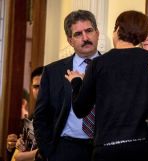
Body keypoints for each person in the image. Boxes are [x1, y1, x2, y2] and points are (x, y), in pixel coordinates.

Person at [66, 10, 148, 161]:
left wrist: (76, 82)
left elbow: (80, 109)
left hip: (107, 148)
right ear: (142, 35)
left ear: (117, 30)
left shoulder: (98, 64)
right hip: (144, 147)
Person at [33, 10, 100, 161]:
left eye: (89, 31)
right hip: (66, 149)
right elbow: (41, 116)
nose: (85, 38)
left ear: (97, 33)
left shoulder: (111, 68)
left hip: (102, 149)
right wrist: (48, 152)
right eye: (78, 34)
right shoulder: (53, 71)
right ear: (70, 40)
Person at [9, 66, 44, 161]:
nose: (39, 90)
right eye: (36, 86)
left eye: (43, 85)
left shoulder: (59, 113)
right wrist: (15, 145)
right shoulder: (33, 116)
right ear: (31, 88)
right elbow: (24, 147)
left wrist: (23, 156)